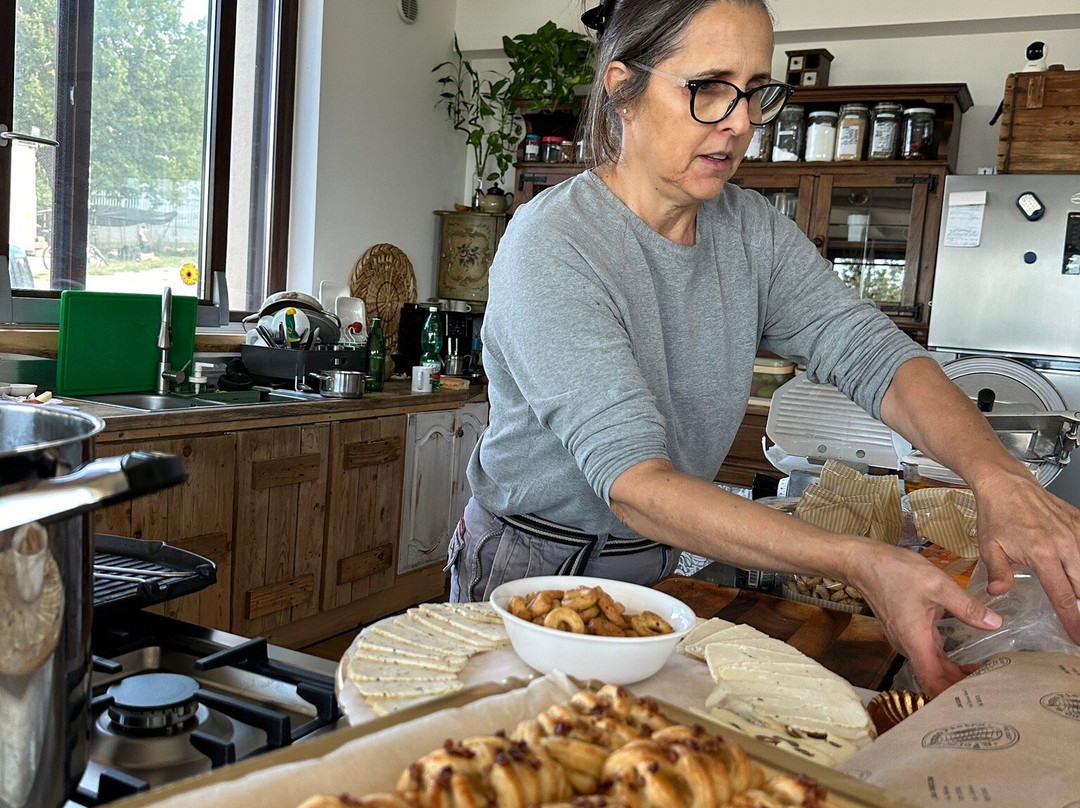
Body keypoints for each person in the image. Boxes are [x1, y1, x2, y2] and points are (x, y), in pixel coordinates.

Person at [449, 0, 1080, 698]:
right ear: (621, 90)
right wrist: (859, 560)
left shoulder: (749, 231)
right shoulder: (556, 242)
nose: (742, 121)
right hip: (537, 570)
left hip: (660, 568)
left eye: (755, 92)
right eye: (709, 88)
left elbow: (876, 356)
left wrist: (999, 478)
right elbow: (635, 482)